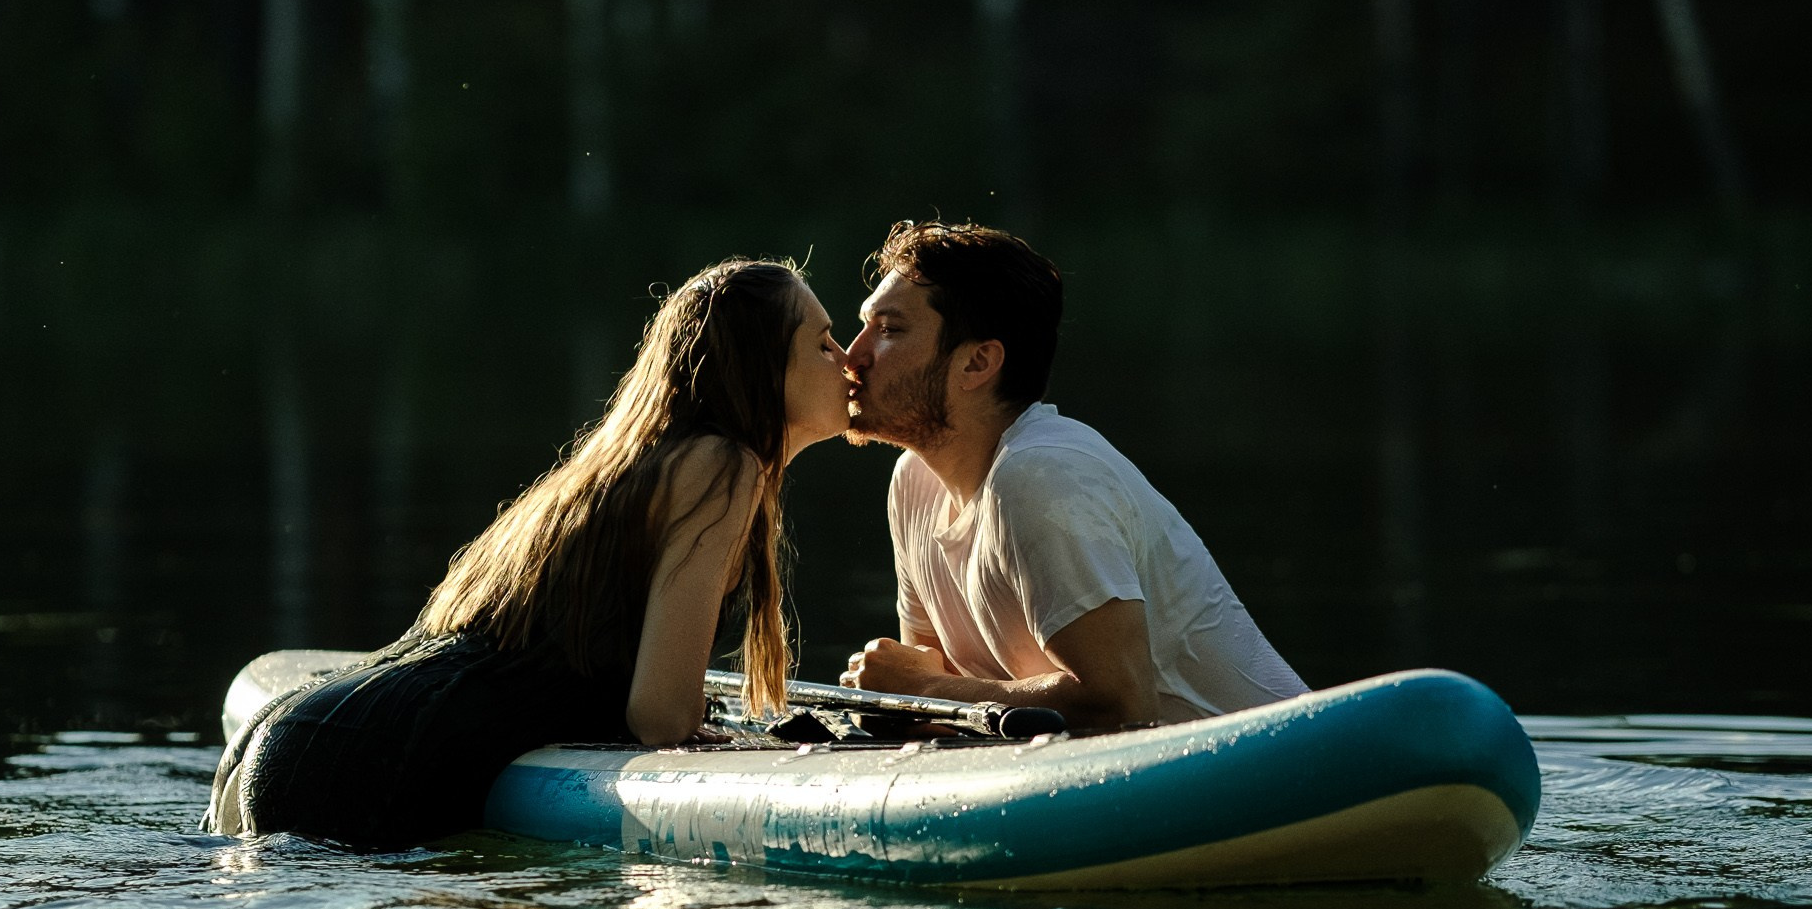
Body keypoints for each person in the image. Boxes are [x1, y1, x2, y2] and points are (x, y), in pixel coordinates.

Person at [208, 259, 851, 849]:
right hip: (366, 757)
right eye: (822, 343)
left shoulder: (640, 463)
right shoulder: (720, 466)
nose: (845, 360)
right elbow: (659, 716)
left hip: (310, 733)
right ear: (758, 365)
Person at [839, 219, 1305, 734]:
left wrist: (921, 692)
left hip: (1277, 777)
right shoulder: (915, 483)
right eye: (864, 325)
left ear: (976, 363)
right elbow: (935, 698)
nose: (852, 355)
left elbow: (1122, 707)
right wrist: (907, 696)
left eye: (889, 330)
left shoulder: (1041, 475)